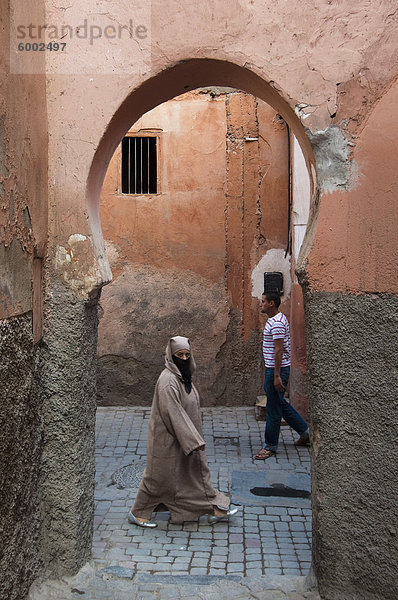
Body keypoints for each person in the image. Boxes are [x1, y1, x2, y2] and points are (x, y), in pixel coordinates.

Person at [128, 335, 238, 527]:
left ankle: (213, 508)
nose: (185, 359)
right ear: (172, 356)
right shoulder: (168, 381)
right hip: (169, 440)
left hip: (182, 440)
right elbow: (173, 414)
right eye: (180, 354)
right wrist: (193, 441)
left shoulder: (182, 377)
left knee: (187, 478)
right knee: (158, 479)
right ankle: (138, 513)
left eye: (187, 354)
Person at [255, 292, 309, 460]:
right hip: (275, 368)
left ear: (272, 303)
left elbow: (279, 350)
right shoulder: (278, 319)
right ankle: (304, 431)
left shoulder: (277, 323)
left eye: (263, 301)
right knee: (279, 403)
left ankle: (270, 445)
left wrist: (276, 375)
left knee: (273, 408)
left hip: (276, 370)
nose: (261, 304)